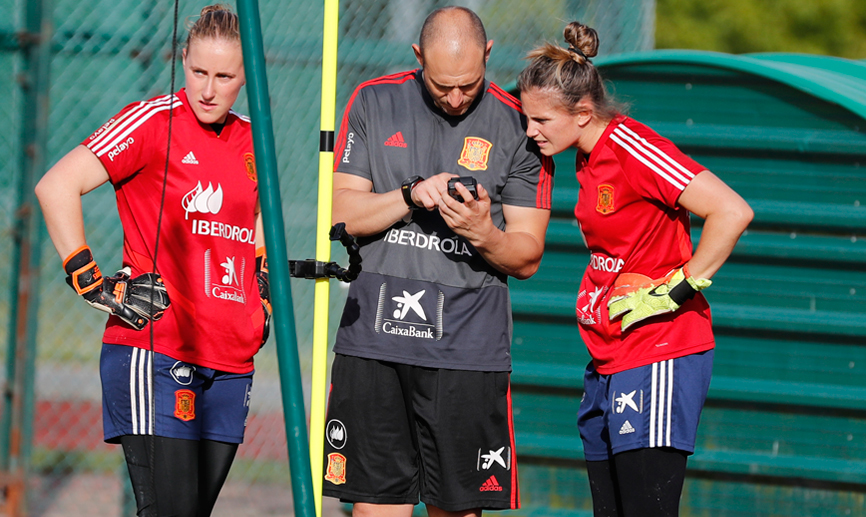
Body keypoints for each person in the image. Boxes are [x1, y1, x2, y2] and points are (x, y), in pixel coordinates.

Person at [34, 5, 269, 516]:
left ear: (246, 74)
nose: (208, 88)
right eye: (198, 71)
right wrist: (92, 283)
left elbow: (255, 223)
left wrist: (262, 293)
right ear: (182, 60)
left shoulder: (256, 140)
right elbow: (56, 186)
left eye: (224, 76)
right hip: (158, 351)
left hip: (231, 362)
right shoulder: (153, 121)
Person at [322, 6, 554, 517]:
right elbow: (340, 214)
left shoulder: (520, 123)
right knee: (375, 507)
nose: (455, 98)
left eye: (468, 85)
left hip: (466, 350)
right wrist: (408, 195)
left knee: (457, 509)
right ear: (417, 56)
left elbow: (528, 254)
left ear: (489, 56)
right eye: (442, 84)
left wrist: (482, 232)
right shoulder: (374, 100)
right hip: (374, 344)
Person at [517, 22, 753, 517]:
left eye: (540, 120)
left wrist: (676, 290)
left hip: (660, 352)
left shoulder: (632, 147)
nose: (529, 131)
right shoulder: (583, 159)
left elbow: (732, 211)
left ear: (582, 114)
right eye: (525, 117)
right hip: (607, 357)